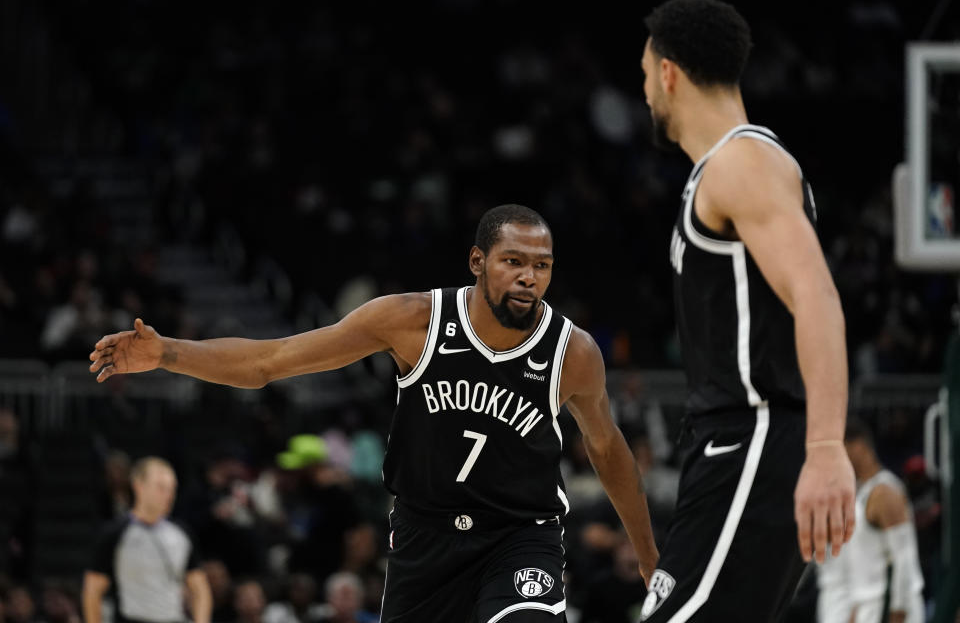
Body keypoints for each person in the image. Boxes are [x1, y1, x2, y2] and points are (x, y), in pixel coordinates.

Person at [89, 204, 659, 623]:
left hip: (520, 534)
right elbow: (271, 360)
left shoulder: (573, 352)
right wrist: (168, 352)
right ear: (478, 262)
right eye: (514, 262)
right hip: (423, 537)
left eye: (543, 265)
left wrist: (648, 554)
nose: (530, 278)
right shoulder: (411, 321)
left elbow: (607, 450)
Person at [637, 0, 856, 621]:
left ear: (670, 73)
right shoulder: (727, 168)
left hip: (756, 439)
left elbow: (815, 294)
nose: (646, 91)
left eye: (646, 74)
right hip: (732, 450)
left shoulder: (743, 162)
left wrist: (825, 447)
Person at [83, 457, 212, 623]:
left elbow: (200, 590)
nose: (168, 495)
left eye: (172, 488)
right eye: (161, 487)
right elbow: (92, 591)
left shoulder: (181, 534)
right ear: (138, 485)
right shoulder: (115, 533)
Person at [839, 417, 925, 623]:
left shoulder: (886, 492)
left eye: (842, 448)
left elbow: (904, 558)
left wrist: (898, 612)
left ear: (857, 446)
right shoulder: (862, 491)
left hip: (892, 611)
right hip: (868, 607)